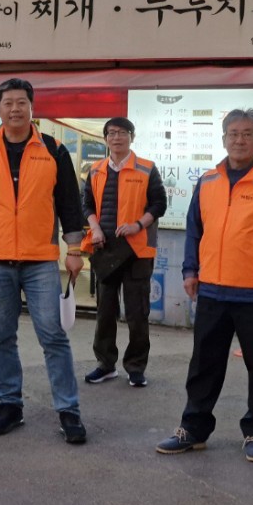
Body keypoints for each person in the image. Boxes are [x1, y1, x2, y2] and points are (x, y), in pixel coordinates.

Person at [156, 108, 253, 463]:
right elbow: (194, 230)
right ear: (223, 139)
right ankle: (194, 428)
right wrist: (190, 271)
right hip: (212, 289)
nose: (239, 140)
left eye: (247, 134)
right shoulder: (208, 181)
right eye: (233, 134)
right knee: (204, 363)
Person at [0, 78, 88, 444]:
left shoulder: (53, 150)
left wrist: (75, 252)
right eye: (8, 103)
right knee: (1, 336)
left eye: (21, 103)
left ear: (32, 107)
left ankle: (68, 410)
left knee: (53, 336)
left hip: (41, 261)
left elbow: (69, 205)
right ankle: (9, 404)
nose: (15, 109)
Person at [81, 116, 167, 388]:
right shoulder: (95, 170)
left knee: (136, 312)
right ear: (105, 138)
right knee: (105, 310)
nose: (116, 138)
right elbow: (86, 205)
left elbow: (159, 204)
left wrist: (137, 225)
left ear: (132, 136)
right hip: (106, 249)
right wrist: (94, 228)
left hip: (137, 249)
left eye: (122, 133)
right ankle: (105, 365)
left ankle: (136, 366)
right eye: (111, 133)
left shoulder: (146, 168)